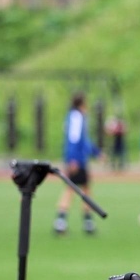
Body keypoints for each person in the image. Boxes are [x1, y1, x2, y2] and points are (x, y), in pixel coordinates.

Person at [54, 93, 100, 235]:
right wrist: (72, 159)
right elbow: (74, 140)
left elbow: (84, 140)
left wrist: (96, 152)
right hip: (77, 160)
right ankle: (64, 221)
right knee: (73, 189)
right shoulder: (76, 117)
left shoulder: (75, 117)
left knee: (83, 189)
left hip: (80, 159)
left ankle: (84, 221)